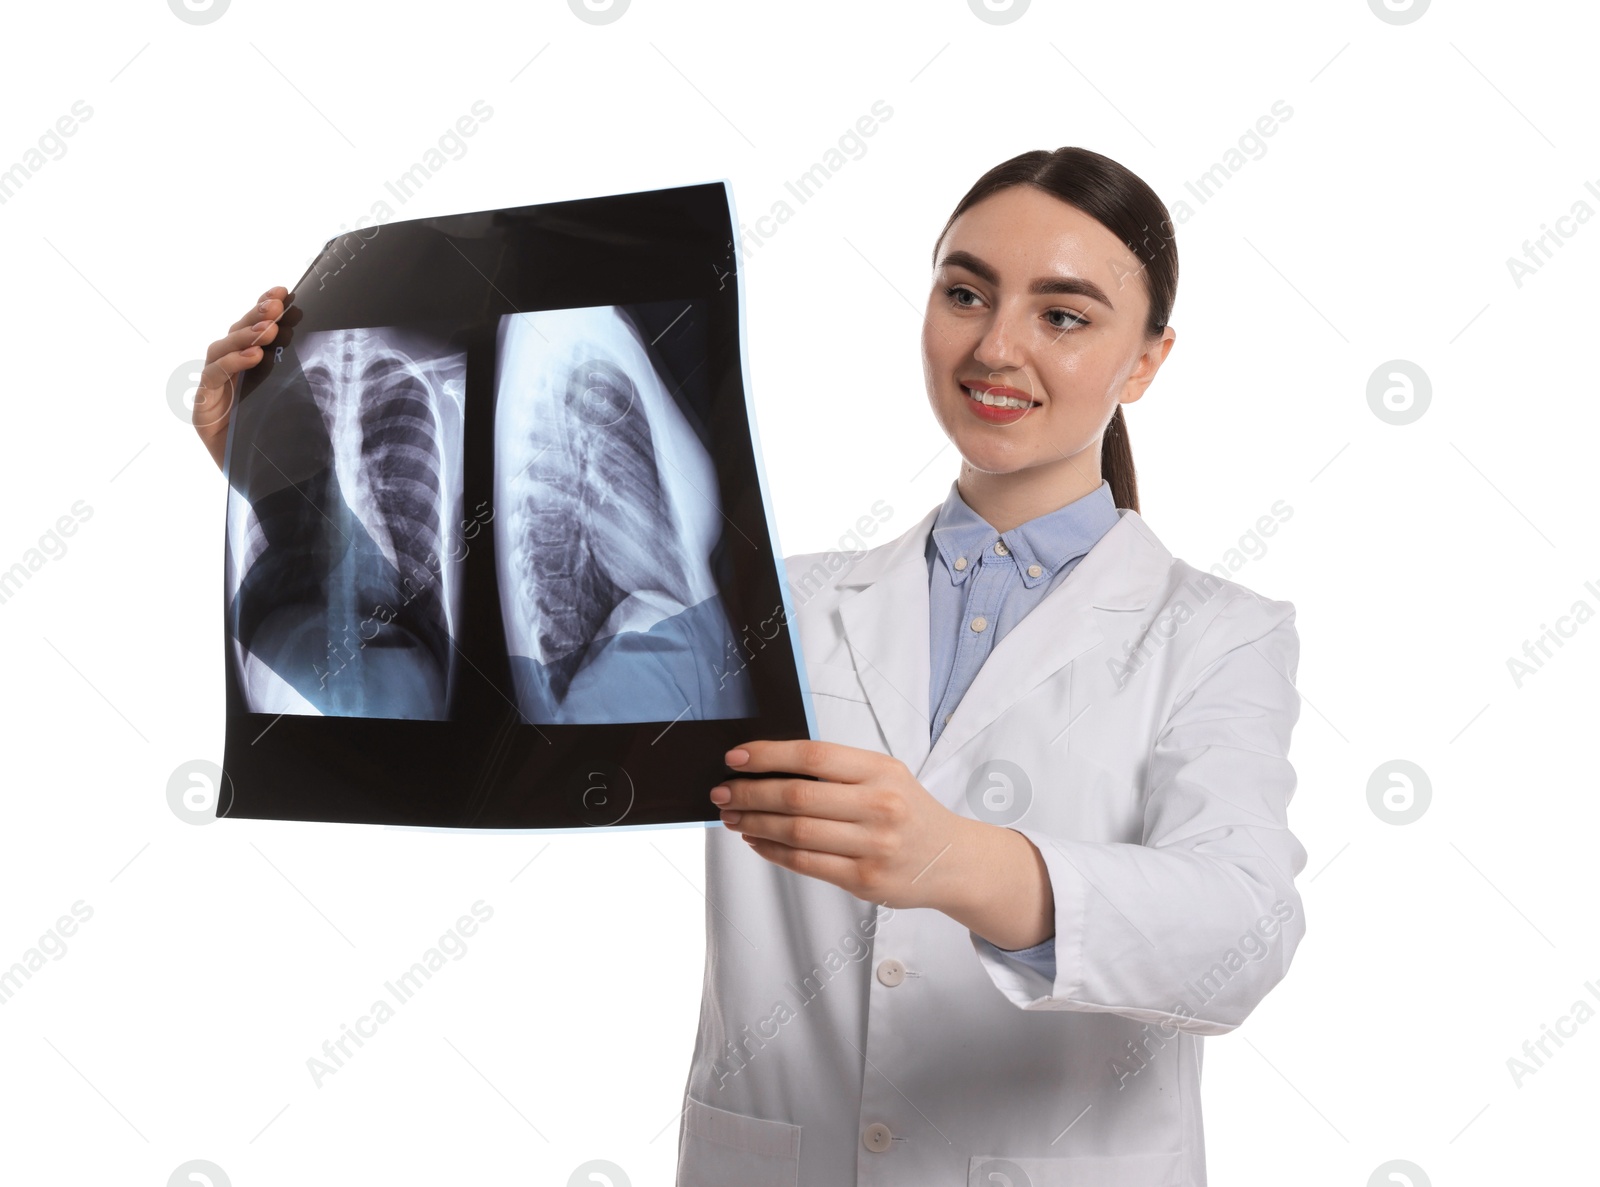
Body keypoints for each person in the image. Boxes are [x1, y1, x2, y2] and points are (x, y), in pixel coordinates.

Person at [193, 146, 1306, 1186]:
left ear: (1150, 357)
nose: (994, 347)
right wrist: (284, 476)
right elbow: (487, 712)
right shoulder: (781, 606)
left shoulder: (1218, 631)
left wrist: (957, 861)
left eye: (1062, 314)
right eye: (965, 293)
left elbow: (1241, 930)